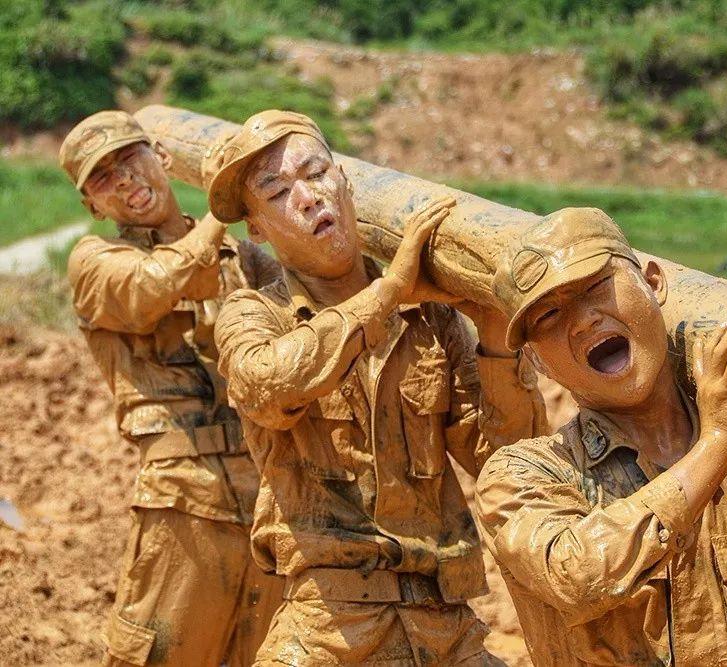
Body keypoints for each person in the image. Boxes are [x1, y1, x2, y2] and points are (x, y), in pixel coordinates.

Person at [208, 110, 547, 665]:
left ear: (344, 181)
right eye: (276, 193)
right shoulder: (254, 314)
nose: (308, 197)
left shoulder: (430, 321)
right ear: (258, 230)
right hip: (329, 624)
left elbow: (504, 462)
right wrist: (386, 293)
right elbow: (267, 389)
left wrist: (495, 344)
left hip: (442, 620)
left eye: (316, 173)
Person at [475, 208, 727, 666]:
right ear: (537, 363)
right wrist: (717, 443)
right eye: (550, 314)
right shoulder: (524, 477)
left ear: (653, 282)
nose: (583, 321)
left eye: (595, 287)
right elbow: (579, 573)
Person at [60, 111, 283, 666]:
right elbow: (153, 286)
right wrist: (220, 207)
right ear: (94, 205)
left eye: (130, 159)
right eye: (104, 178)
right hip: (185, 503)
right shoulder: (96, 262)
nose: (126, 181)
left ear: (161, 157)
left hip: (271, 505)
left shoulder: (247, 260)